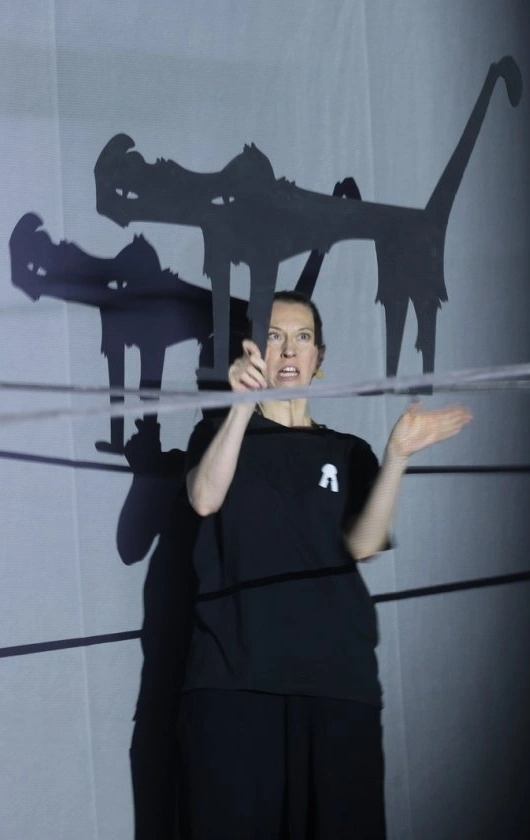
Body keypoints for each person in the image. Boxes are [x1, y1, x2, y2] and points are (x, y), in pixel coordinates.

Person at [179, 290, 472, 839]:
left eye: (303, 337)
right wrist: (240, 406)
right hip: (234, 680)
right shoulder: (217, 436)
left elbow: (362, 543)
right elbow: (204, 498)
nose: (289, 349)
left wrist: (396, 458)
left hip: (337, 684)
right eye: (274, 337)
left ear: (319, 357)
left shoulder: (346, 451)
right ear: (253, 352)